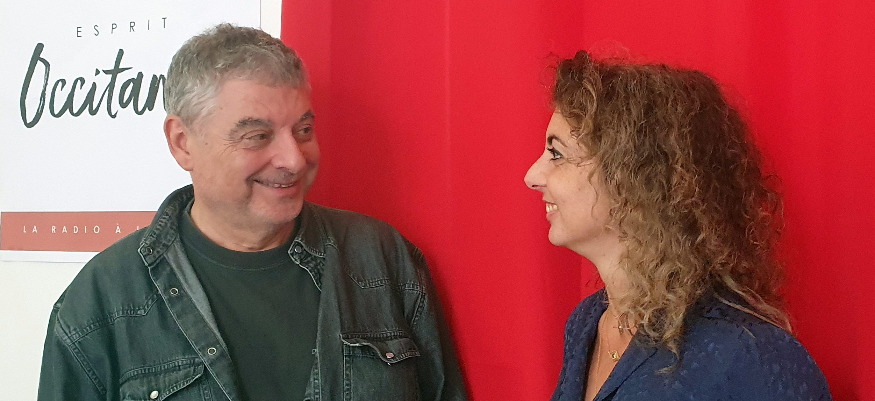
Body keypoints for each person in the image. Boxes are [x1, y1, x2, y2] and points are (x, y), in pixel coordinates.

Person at [37, 24, 466, 401]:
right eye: (258, 136)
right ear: (183, 142)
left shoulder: (383, 258)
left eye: (304, 130)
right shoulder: (100, 301)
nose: (294, 160)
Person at [524, 51, 832, 401]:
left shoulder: (750, 356)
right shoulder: (586, 323)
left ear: (635, 178)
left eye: (557, 154)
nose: (532, 176)